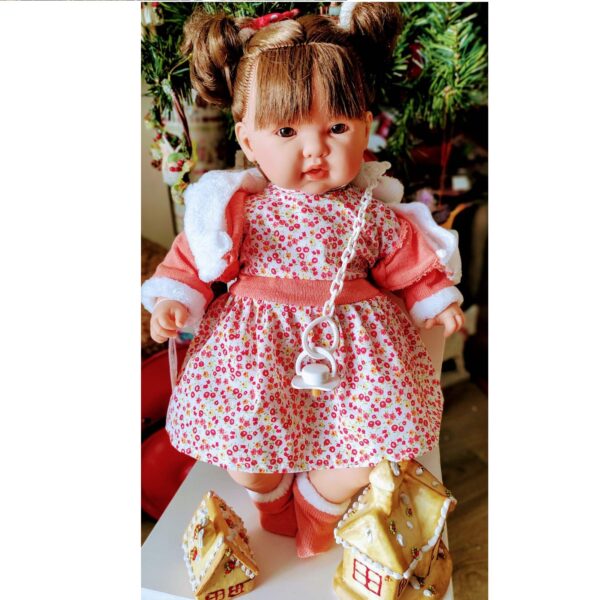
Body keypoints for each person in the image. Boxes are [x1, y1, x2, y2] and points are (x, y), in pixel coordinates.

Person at [142, 2, 465, 558]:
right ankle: (270, 498)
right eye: (287, 130)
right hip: (254, 356)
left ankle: (321, 505)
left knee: (363, 455)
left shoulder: (372, 213)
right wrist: (175, 298)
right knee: (246, 456)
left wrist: (436, 299)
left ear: (365, 126)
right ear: (247, 138)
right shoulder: (236, 207)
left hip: (356, 359)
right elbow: (193, 257)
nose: (315, 148)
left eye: (337, 127)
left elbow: (410, 263)